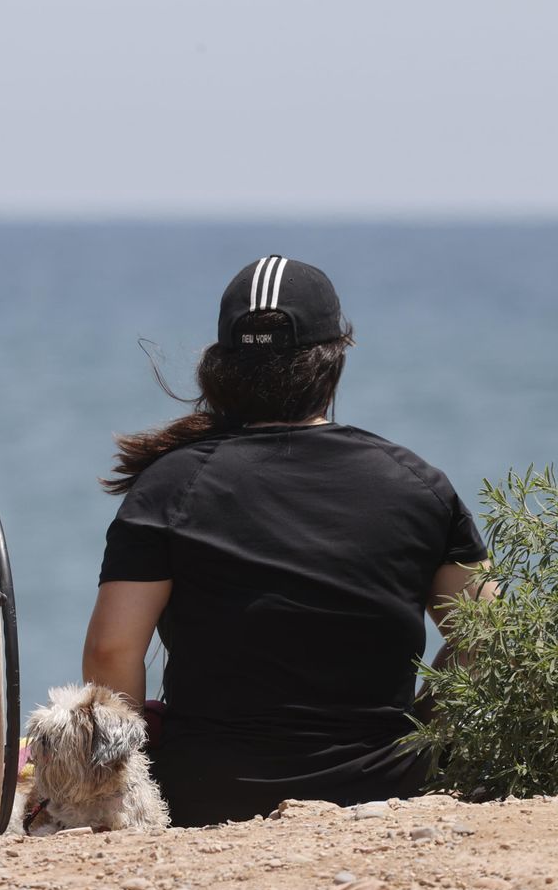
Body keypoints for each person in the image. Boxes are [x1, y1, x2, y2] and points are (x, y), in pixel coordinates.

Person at [81, 255, 496, 825]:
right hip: (385, 789)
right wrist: (422, 725)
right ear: (333, 365)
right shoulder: (418, 483)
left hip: (205, 793)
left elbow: (112, 653)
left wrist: (136, 778)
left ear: (220, 368)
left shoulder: (170, 486)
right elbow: (490, 638)